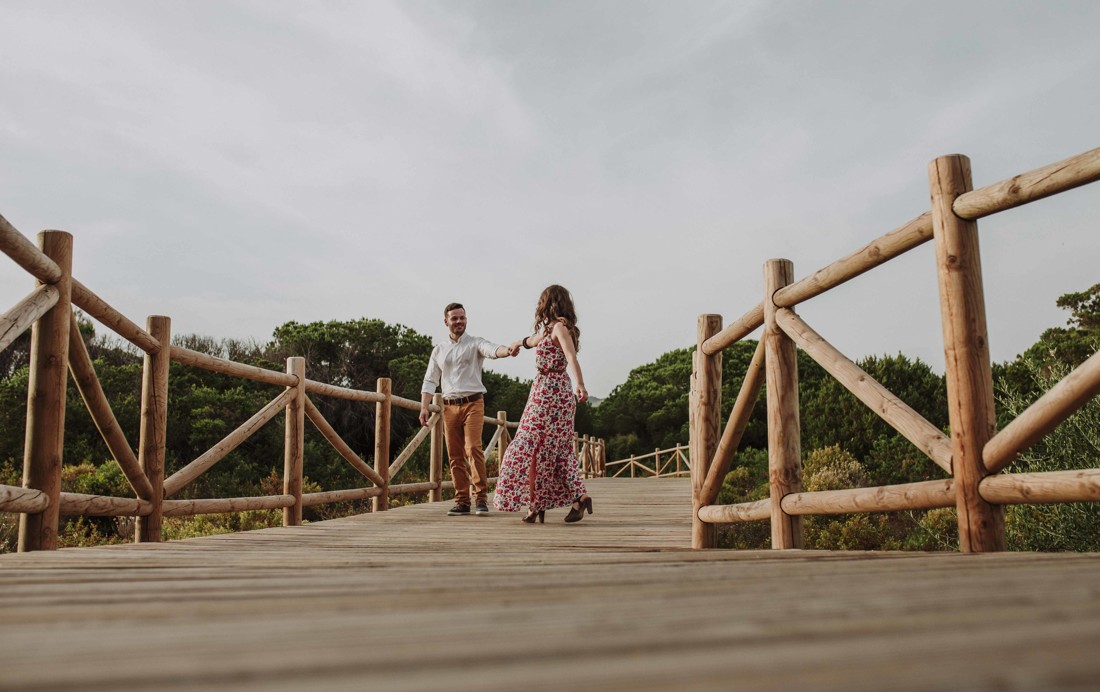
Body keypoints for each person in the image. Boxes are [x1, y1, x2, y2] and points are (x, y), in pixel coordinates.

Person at [492, 285, 594, 523]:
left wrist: (580, 384)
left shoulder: (558, 327)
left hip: (551, 392)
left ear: (549, 303)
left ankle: (551, 501)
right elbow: (531, 341)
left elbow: (570, 357)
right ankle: (557, 500)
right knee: (550, 450)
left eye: (542, 301)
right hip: (546, 391)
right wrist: (517, 343)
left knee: (527, 444)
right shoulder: (548, 329)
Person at [421, 303, 518, 516]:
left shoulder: (475, 343)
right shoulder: (439, 350)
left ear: (466, 319)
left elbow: (492, 350)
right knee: (454, 455)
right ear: (446, 321)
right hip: (448, 406)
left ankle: (481, 499)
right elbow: (430, 380)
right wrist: (424, 407)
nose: (459, 322)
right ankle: (462, 501)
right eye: (454, 318)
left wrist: (507, 351)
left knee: (473, 448)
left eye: (462, 318)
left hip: (473, 403)